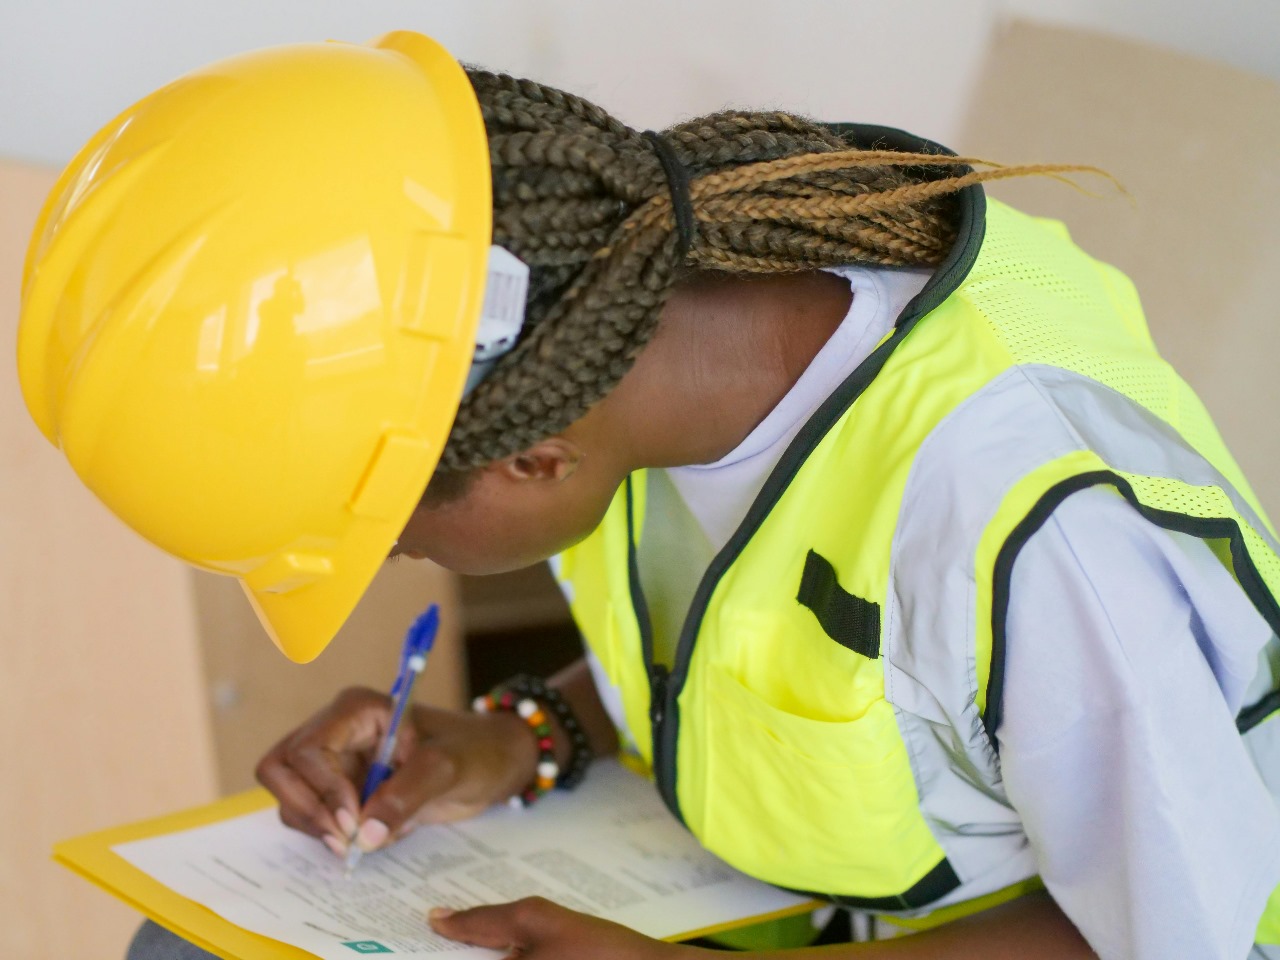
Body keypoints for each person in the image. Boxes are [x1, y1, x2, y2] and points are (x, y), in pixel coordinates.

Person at [17, 29, 1280, 960]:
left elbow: (1182, 934)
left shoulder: (1040, 530)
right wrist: (519, 736)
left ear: (527, 455)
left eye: (387, 536)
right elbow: (771, 662)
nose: (393, 564)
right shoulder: (635, 325)